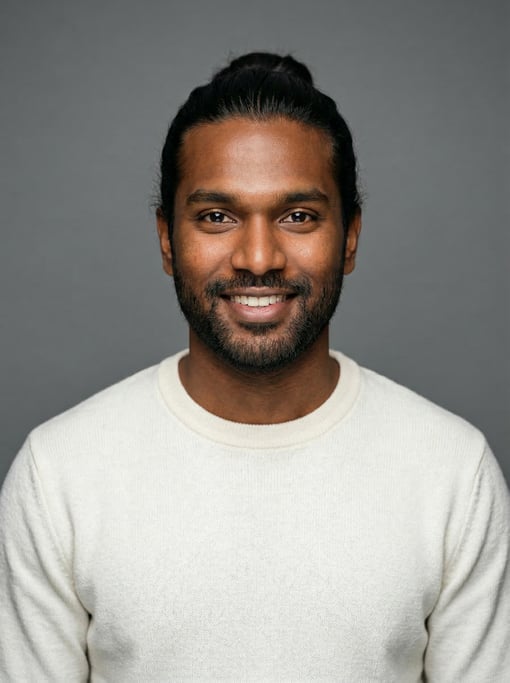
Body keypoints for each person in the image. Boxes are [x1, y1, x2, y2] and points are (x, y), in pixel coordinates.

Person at [0, 52, 509, 682]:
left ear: (349, 237)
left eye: (298, 216)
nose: (259, 257)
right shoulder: (58, 476)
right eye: (217, 217)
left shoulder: (454, 472)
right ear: (166, 240)